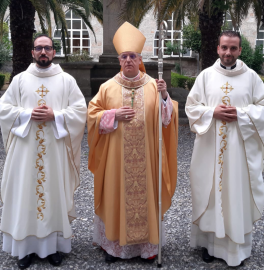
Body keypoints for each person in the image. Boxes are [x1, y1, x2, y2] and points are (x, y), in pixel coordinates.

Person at [87, 22, 178, 263]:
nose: (129, 60)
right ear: (119, 60)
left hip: (147, 160)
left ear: (139, 59)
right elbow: (91, 117)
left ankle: (146, 248)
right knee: (116, 196)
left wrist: (166, 96)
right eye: (124, 56)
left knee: (146, 197)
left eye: (133, 56)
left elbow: (167, 120)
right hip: (116, 160)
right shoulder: (107, 88)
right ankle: (114, 249)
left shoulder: (154, 86)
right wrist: (112, 115)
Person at [0, 34, 87, 269]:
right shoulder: (19, 80)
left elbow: (80, 111)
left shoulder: (66, 80)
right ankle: (24, 249)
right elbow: (4, 109)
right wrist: (27, 114)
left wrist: (56, 116)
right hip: (25, 152)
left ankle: (53, 247)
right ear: (32, 52)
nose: (43, 52)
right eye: (38, 48)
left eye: (47, 48)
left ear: (54, 52)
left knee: (53, 194)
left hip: (55, 151)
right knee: (24, 194)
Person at [186, 30, 264, 267]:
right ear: (217, 48)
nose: (228, 53)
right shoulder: (205, 76)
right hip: (209, 150)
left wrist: (242, 114)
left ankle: (236, 249)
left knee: (236, 194)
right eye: (224, 47)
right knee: (210, 194)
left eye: (233, 48)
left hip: (239, 153)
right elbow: (191, 107)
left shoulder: (252, 77)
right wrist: (211, 112)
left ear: (240, 50)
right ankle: (210, 245)